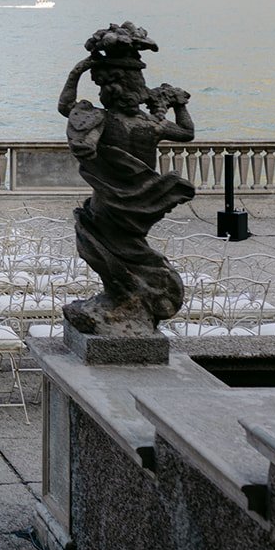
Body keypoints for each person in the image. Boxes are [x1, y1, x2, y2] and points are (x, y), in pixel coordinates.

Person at [56, 22, 195, 336]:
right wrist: (180, 104)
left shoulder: (102, 120)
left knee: (102, 248)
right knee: (130, 248)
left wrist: (77, 72)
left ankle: (124, 299)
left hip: (109, 201)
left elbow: (66, 106)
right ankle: (130, 300)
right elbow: (187, 133)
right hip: (143, 200)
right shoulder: (152, 125)